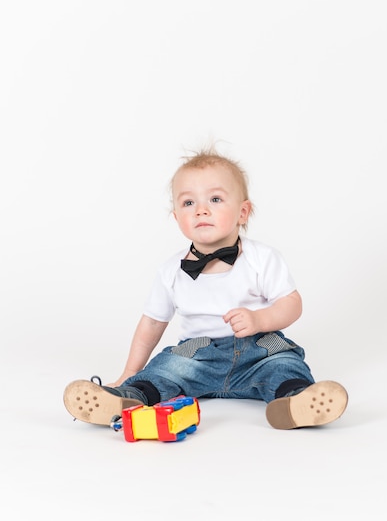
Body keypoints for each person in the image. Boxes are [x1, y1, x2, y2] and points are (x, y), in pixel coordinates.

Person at [64, 146, 348, 430]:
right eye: (188, 203)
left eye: (215, 199)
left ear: (243, 212)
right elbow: (151, 323)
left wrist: (260, 319)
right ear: (177, 217)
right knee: (165, 369)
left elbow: (291, 302)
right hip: (198, 357)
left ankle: (296, 401)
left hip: (259, 350)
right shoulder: (172, 271)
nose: (201, 209)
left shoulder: (262, 258)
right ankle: (128, 398)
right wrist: (128, 373)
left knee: (284, 365)